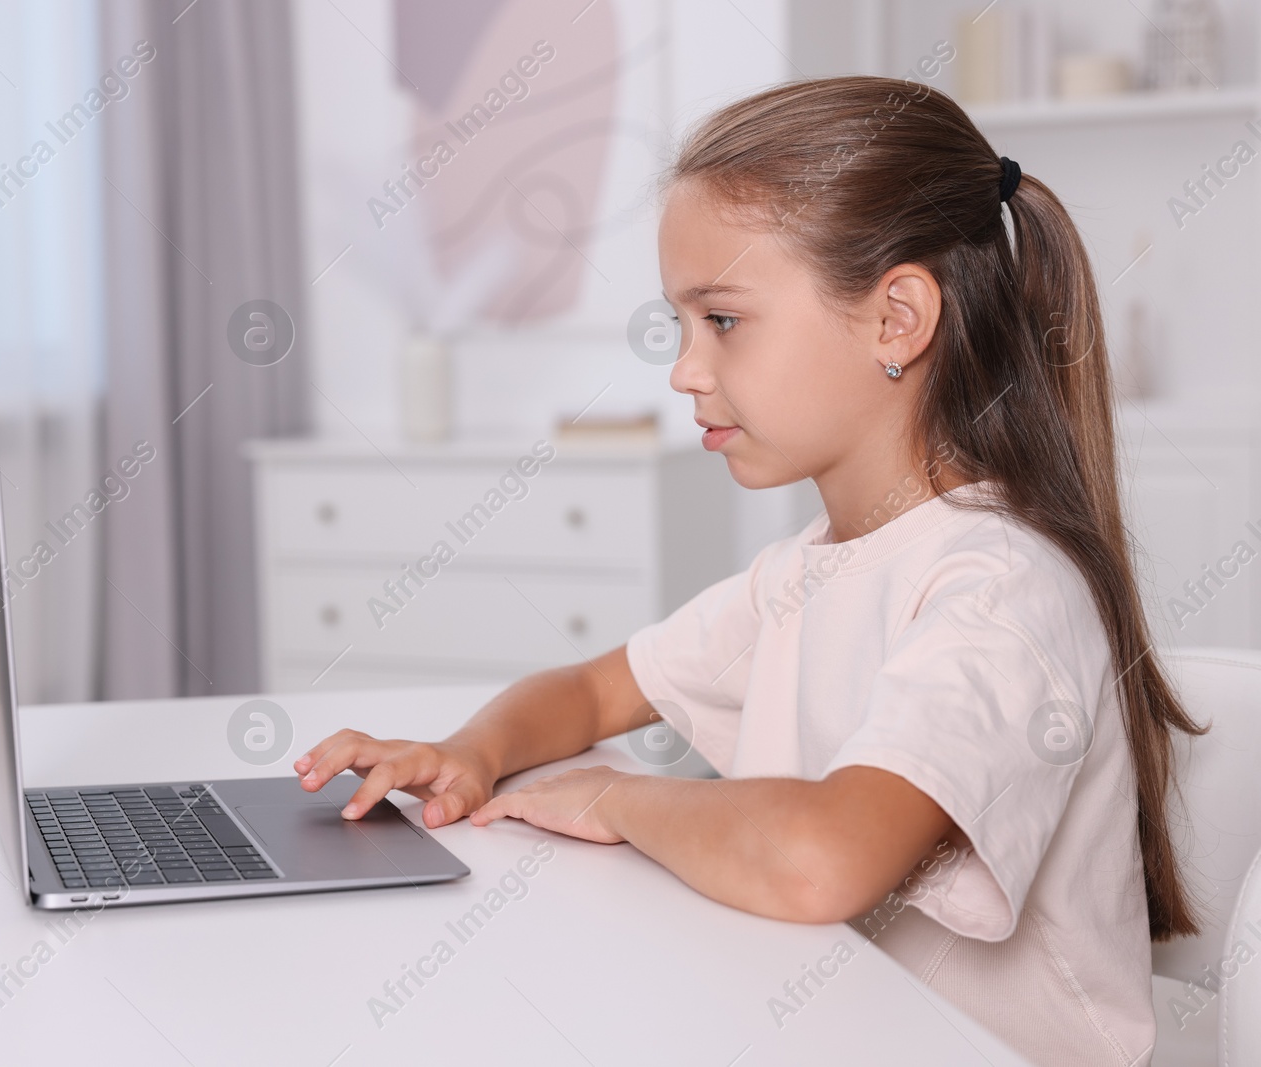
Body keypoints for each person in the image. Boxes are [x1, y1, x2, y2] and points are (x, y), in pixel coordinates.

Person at [294, 76, 1204, 1065]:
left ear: (896, 320)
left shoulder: (1002, 588)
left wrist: (615, 799)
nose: (684, 368)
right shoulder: (805, 571)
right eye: (681, 325)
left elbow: (824, 858)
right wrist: (471, 749)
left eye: (721, 319)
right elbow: (597, 687)